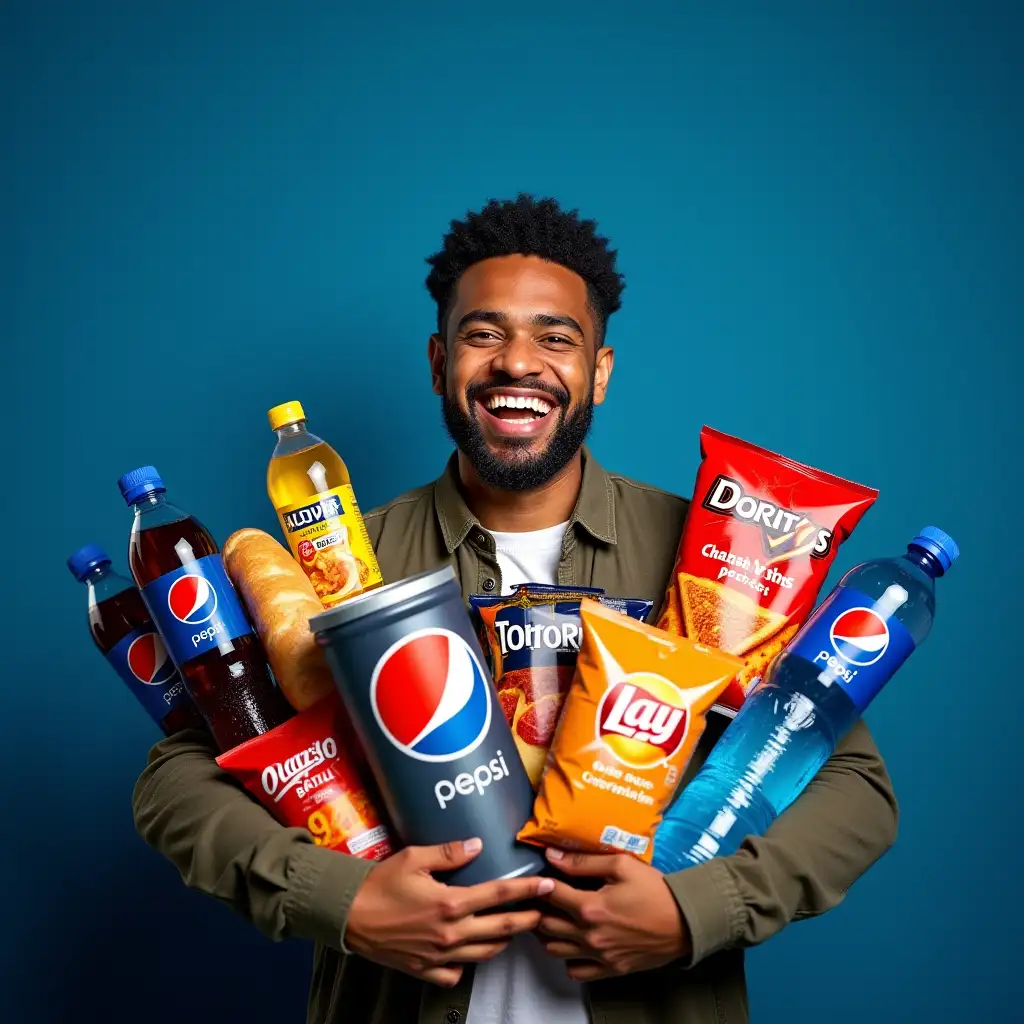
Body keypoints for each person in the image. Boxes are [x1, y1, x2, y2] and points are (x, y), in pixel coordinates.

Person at [133, 195, 898, 1024]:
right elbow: (177, 775)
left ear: (598, 371)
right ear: (438, 362)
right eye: (483, 333)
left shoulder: (714, 557)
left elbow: (853, 783)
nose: (517, 363)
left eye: (555, 337)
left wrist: (697, 911)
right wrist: (342, 901)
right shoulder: (339, 561)